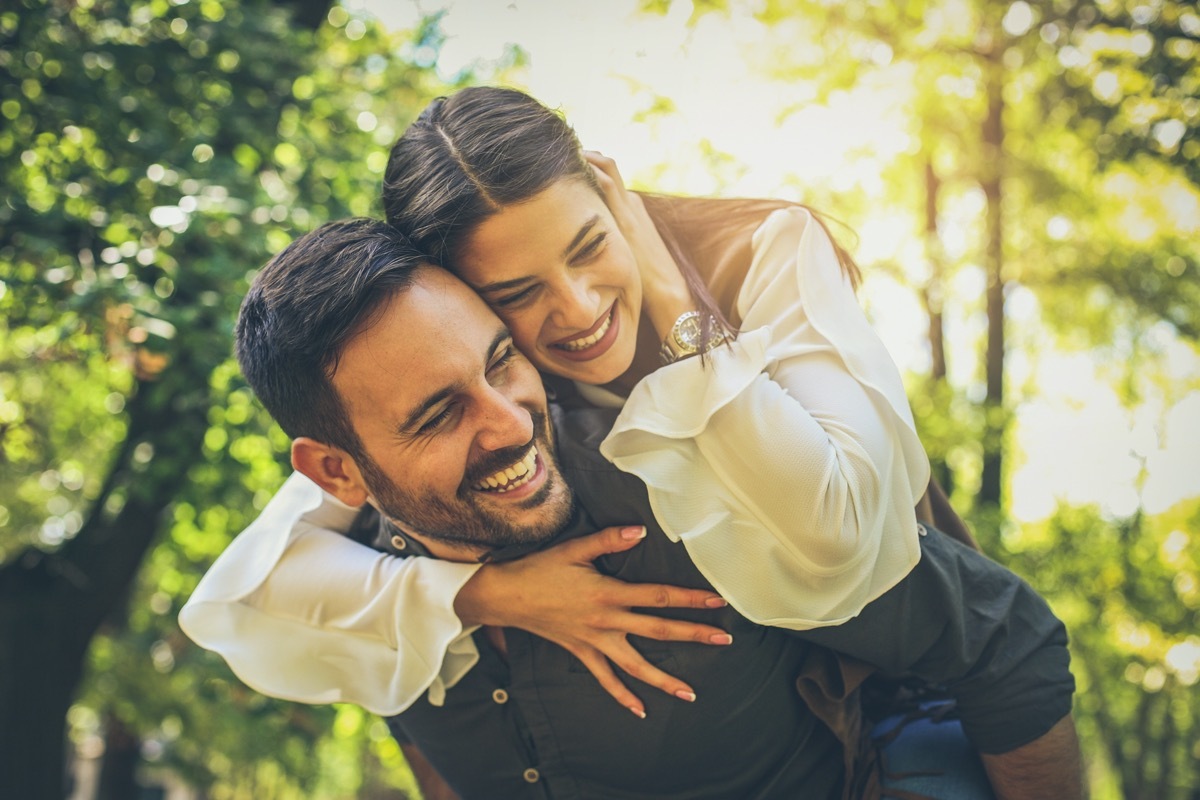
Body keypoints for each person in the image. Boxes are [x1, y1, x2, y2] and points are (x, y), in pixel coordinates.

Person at [192, 217, 1081, 799]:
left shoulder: (689, 485)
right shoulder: (350, 600)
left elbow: (1004, 641)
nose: (510, 423)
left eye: (501, 360)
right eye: (437, 414)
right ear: (336, 472)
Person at [181, 86, 963, 720]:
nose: (580, 309)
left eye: (590, 245)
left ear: (610, 196)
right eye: (515, 293)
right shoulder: (483, 381)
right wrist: (489, 596)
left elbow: (835, 531)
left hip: (944, 676)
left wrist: (669, 297)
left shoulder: (761, 251)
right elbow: (246, 587)